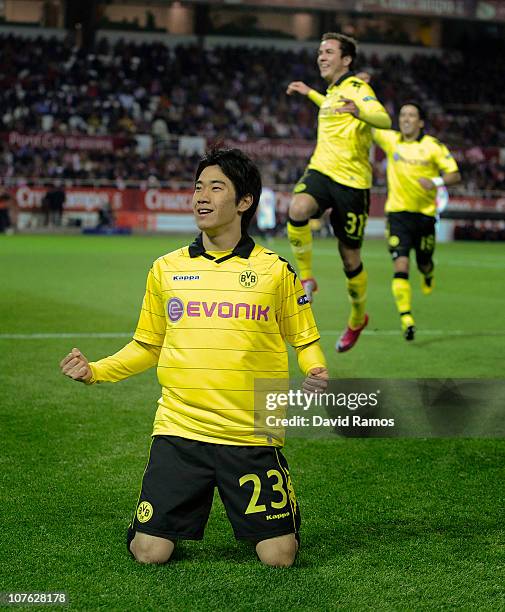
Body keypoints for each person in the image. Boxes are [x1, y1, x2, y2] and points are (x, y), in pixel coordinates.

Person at [59, 148, 328, 568]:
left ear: (244, 202)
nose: (201, 196)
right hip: (181, 430)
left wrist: (315, 368)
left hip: (252, 431)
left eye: (216, 187)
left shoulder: (276, 271)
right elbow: (147, 346)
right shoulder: (166, 269)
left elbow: (304, 336)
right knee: (150, 552)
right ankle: (155, 522)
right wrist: (94, 372)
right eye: (198, 187)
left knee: (280, 557)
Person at [286, 32, 391, 353]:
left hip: (353, 183)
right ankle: (307, 278)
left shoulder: (358, 89)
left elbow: (384, 119)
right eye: (320, 51)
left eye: (329, 51)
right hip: (322, 171)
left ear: (346, 59)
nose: (321, 56)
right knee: (297, 209)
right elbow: (330, 103)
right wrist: (309, 93)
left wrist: (360, 112)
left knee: (350, 259)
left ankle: (358, 318)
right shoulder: (333, 92)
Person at [372, 102, 461, 340]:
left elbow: (455, 174)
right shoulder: (391, 140)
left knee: (423, 263)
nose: (406, 119)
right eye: (402, 115)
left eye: (412, 115)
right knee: (401, 264)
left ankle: (428, 273)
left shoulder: (432, 146)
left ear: (421, 121)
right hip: (398, 214)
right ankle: (406, 319)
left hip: (425, 216)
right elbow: (366, 120)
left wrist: (435, 182)